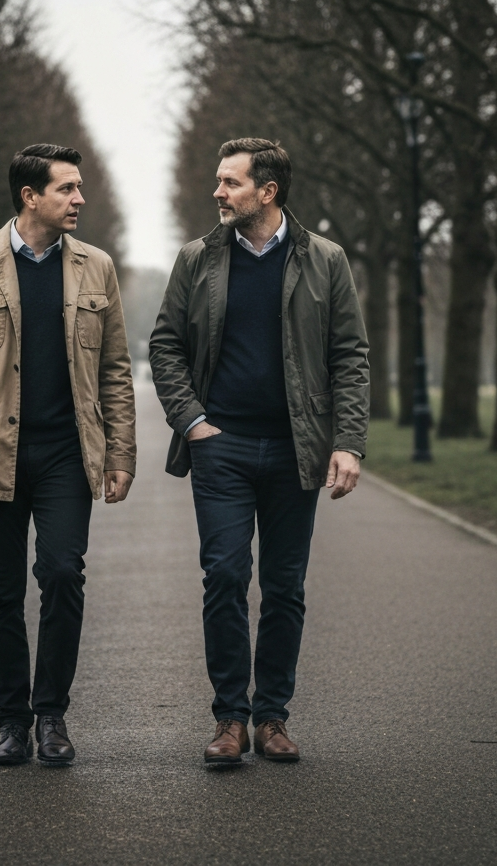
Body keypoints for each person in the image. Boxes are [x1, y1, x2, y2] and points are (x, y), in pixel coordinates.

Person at [149, 137, 369, 767]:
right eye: (219, 181)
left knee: (284, 586)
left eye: (230, 182)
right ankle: (229, 720)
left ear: (267, 192)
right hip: (221, 447)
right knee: (223, 576)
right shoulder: (197, 259)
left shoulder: (324, 259)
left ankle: (272, 717)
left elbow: (349, 355)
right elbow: (165, 345)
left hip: (296, 449)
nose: (217, 192)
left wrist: (348, 441)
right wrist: (191, 421)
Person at [0, 143, 136, 767]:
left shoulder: (98, 267)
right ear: (29, 196)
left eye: (80, 187)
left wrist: (121, 453)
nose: (79, 200)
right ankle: (11, 721)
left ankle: (51, 715)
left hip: (68, 450)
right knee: (1, 594)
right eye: (67, 189)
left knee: (64, 574)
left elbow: (116, 369)